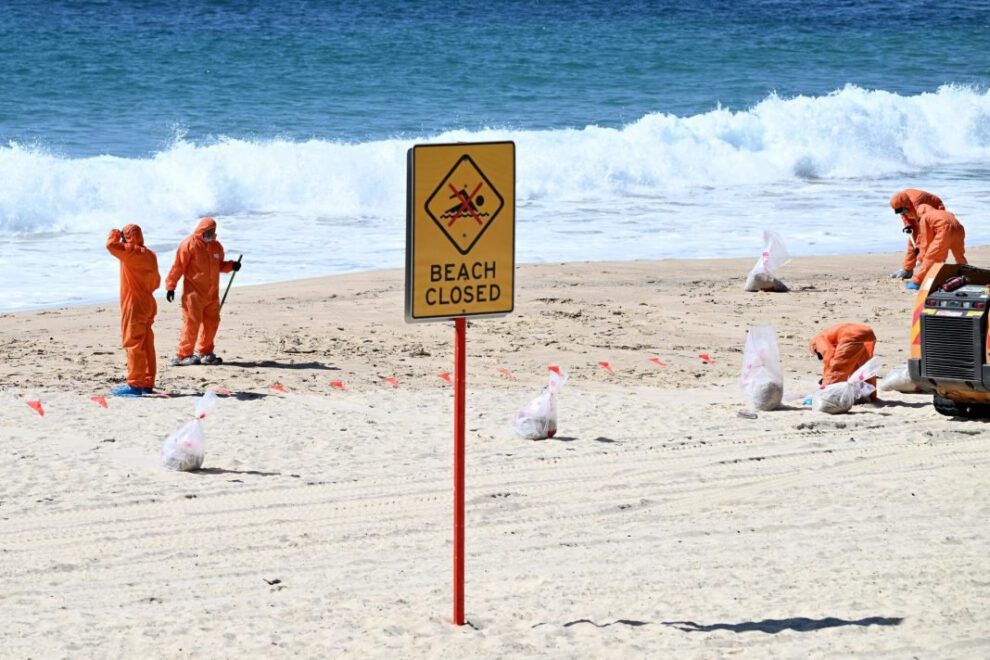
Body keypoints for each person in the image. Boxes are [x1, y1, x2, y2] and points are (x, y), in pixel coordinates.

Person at [165, 217, 241, 365]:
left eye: (213, 231)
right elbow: (178, 267)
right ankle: (183, 355)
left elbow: (219, 266)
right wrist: (170, 286)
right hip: (193, 293)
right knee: (191, 323)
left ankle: (205, 352)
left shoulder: (216, 246)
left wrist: (232, 266)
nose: (210, 234)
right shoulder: (188, 245)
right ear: (201, 230)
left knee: (212, 322)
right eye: (208, 231)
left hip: (212, 294)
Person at [106, 224, 160, 396]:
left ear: (127, 236)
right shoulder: (150, 254)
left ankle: (135, 385)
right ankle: (147, 382)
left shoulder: (129, 251)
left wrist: (114, 233)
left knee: (133, 342)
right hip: (148, 300)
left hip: (134, 303)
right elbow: (156, 281)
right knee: (146, 342)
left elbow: (110, 245)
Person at [808, 323, 877, 401]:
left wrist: (826, 380)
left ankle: (827, 398)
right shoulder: (827, 335)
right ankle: (871, 395)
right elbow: (848, 363)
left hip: (851, 335)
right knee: (864, 368)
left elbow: (829, 354)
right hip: (867, 332)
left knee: (837, 369)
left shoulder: (816, 341)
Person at [888, 189, 945, 280]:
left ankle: (936, 266)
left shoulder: (916, 202)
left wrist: (919, 248)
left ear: (905, 204)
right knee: (912, 240)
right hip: (915, 212)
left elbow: (923, 229)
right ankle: (907, 269)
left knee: (930, 240)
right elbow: (904, 214)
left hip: (935, 209)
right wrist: (908, 225)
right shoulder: (900, 203)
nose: (900, 212)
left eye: (901, 210)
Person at [907, 204, 966, 290]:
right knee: (959, 255)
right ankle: (964, 272)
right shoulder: (945, 212)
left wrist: (921, 257)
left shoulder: (925, 217)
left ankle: (916, 282)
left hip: (945, 231)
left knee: (931, 257)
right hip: (959, 229)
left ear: (920, 213)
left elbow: (926, 241)